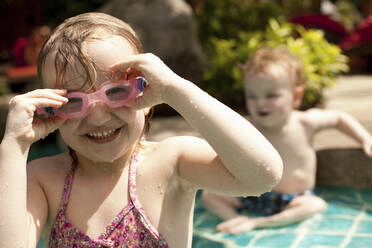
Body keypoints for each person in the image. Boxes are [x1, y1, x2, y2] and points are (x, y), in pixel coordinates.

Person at [0, 13, 283, 248]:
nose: (98, 117)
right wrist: (13, 147)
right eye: (74, 101)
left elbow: (262, 177)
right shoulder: (43, 179)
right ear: (52, 109)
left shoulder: (172, 163)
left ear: (147, 97)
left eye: (117, 92)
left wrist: (176, 89)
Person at [202, 46, 372, 234]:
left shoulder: (305, 122)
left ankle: (263, 223)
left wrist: (365, 139)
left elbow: (340, 118)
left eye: (271, 95)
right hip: (253, 196)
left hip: (295, 199)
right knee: (209, 196)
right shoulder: (246, 126)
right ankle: (236, 220)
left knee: (315, 205)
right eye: (252, 95)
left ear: (296, 96)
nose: (260, 103)